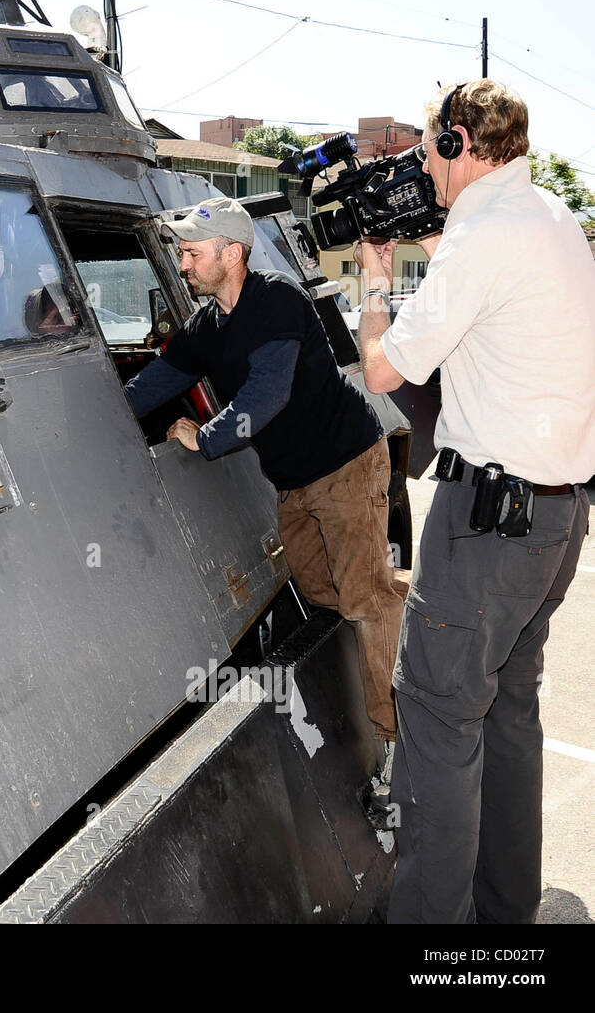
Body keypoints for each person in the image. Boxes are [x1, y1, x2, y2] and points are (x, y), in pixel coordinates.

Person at [356, 79, 595, 924]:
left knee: (435, 720)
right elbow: (493, 286)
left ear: (458, 144)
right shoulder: (552, 218)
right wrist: (438, 237)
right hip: (557, 517)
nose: (425, 167)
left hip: (489, 524)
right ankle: (504, 919)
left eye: (428, 152)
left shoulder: (482, 236)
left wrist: (373, 283)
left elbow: (385, 370)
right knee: (509, 711)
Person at [125, 197, 405, 767]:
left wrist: (204, 439)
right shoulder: (208, 325)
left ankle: (398, 738)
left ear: (232, 254)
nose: (181, 263)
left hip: (346, 460)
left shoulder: (278, 300)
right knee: (321, 592)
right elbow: (155, 382)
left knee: (362, 600)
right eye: (181, 251)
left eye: (190, 252)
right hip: (295, 481)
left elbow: (265, 397)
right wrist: (103, 424)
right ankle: (396, 604)